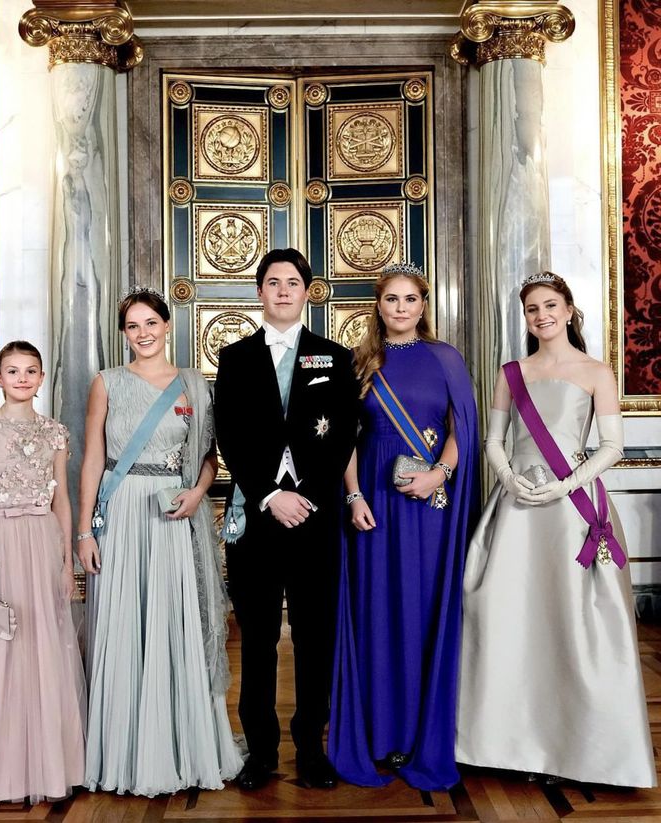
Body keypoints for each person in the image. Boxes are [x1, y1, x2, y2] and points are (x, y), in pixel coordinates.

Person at [456, 272, 656, 787]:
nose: (541, 315)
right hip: (517, 507)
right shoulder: (512, 372)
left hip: (573, 510)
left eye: (549, 305)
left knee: (572, 623)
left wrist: (566, 485)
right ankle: (510, 744)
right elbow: (494, 439)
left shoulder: (596, 371)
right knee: (508, 618)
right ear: (525, 318)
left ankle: (580, 748)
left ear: (569, 310)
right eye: (531, 309)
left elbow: (611, 446)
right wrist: (509, 478)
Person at [77, 286, 242, 796]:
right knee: (126, 621)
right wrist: (84, 530)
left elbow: (211, 454)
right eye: (133, 326)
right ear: (123, 334)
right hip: (123, 510)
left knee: (175, 624)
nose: (143, 333)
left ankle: (182, 746)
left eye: (151, 323)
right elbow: (91, 460)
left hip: (176, 513)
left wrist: (198, 494)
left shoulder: (195, 384)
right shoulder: (106, 382)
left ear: (167, 326)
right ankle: (124, 755)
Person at [328, 262, 480, 791]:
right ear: (379, 305)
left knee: (421, 609)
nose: (400, 308)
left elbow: (464, 428)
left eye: (409, 299)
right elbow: (343, 438)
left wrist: (439, 471)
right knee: (378, 609)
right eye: (391, 299)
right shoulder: (359, 362)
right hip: (373, 501)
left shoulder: (446, 359)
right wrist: (353, 495)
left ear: (423, 305)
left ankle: (420, 735)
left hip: (428, 505)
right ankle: (377, 735)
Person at [214, 248, 359, 791]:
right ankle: (261, 751)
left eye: (292, 282)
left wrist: (311, 496)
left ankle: (311, 748)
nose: (282, 291)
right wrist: (270, 494)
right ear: (259, 292)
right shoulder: (235, 357)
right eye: (272, 282)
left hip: (315, 517)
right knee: (256, 636)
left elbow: (345, 434)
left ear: (307, 291)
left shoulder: (333, 357)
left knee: (315, 636)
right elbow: (228, 434)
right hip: (257, 516)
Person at [0, 341, 85, 806]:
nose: (22, 378)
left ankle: (50, 764)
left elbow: (62, 501)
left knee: (46, 647)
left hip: (43, 543)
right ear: (0, 378)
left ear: (42, 378)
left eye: (31, 371)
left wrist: (67, 561)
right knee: (2, 650)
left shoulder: (55, 433)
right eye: (13, 370)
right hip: (0, 550)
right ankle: (1, 770)